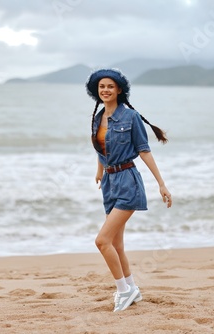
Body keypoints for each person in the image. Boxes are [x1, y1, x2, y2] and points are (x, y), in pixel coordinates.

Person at [85, 68, 172, 312]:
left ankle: (124, 291)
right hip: (110, 184)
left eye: (110, 86)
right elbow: (101, 148)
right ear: (96, 90)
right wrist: (100, 170)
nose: (105, 90)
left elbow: (144, 150)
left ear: (119, 90)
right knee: (116, 244)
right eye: (101, 86)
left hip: (128, 182)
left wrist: (161, 184)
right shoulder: (97, 117)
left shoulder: (130, 117)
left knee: (102, 241)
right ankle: (132, 288)